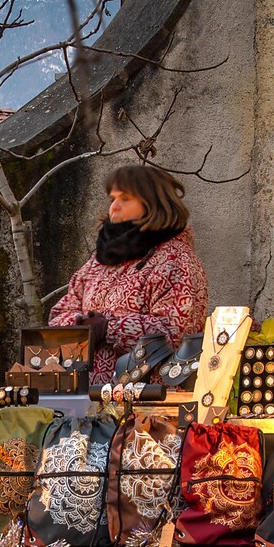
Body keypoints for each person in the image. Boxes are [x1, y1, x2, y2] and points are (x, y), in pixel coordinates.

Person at [49, 162, 210, 387]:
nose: (114, 207)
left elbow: (177, 338)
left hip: (146, 403)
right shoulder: (99, 261)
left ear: (153, 203)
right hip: (86, 398)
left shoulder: (176, 261)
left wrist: (110, 328)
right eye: (112, 198)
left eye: (125, 199)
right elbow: (59, 314)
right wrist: (80, 324)